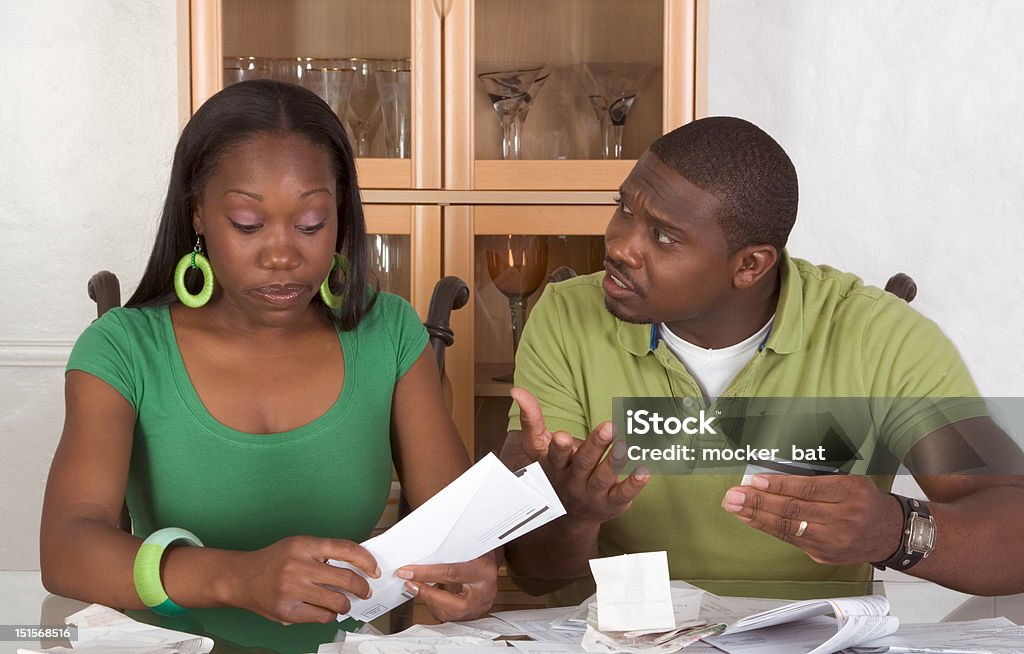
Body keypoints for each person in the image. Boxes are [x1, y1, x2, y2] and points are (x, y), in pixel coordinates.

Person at [41, 79, 496, 652]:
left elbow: (459, 539)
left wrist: (475, 572)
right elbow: (65, 547)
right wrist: (237, 577)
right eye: (248, 224)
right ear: (198, 215)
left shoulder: (390, 335)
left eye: (311, 224)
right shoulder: (124, 350)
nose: (283, 255)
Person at [500, 116, 1024, 605]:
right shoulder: (569, 318)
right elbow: (532, 572)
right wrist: (573, 515)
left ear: (749, 265)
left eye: (662, 235)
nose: (619, 245)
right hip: (620, 635)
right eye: (625, 209)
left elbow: (1013, 521)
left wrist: (894, 530)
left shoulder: (875, 334)